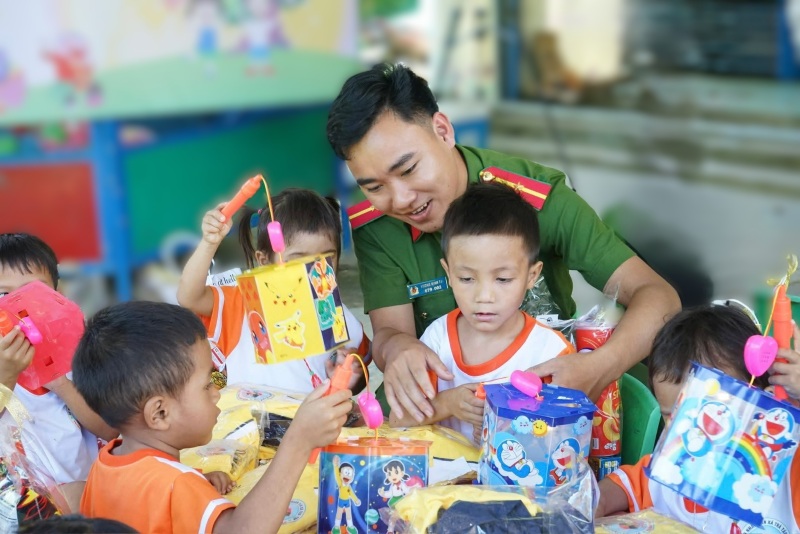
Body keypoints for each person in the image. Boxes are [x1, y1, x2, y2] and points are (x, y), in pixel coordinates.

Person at [327, 62, 680, 423]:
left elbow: (657, 295)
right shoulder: (378, 227)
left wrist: (597, 367)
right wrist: (398, 348)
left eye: (408, 170)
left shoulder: (537, 199)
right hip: (442, 410)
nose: (399, 199)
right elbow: (389, 332)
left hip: (539, 412)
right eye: (374, 187)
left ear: (443, 130)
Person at [73, 301, 353, 534]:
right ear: (159, 414)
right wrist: (298, 441)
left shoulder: (105, 466)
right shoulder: (176, 485)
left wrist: (196, 485)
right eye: (207, 384)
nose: (217, 392)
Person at [388, 183, 574, 440]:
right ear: (449, 273)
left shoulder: (550, 352)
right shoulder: (437, 340)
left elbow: (569, 437)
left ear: (532, 276)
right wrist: (448, 404)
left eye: (503, 279)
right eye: (466, 278)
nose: (484, 297)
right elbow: (397, 421)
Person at [597, 304, 800, 531]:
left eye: (705, 415)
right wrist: (594, 502)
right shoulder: (669, 470)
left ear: (762, 403)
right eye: (670, 415)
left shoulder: (789, 474)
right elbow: (621, 488)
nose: (686, 431)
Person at [177, 188, 370, 394]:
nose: (313, 270)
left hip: (313, 423)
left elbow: (359, 376)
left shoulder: (343, 320)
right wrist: (210, 242)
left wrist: (349, 375)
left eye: (325, 258)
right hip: (245, 422)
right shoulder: (241, 302)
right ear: (263, 261)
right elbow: (189, 297)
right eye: (297, 259)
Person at [0, 233, 117, 513]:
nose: (18, 307)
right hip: (28, 513)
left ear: (57, 294)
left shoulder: (81, 357)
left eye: (32, 291)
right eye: (3, 294)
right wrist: (7, 374)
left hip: (96, 500)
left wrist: (61, 383)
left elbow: (111, 428)